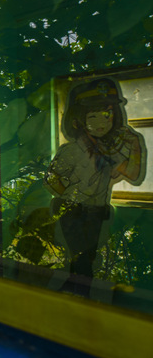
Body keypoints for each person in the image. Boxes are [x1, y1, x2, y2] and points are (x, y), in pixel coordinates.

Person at [45, 77, 146, 277]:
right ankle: (78, 292)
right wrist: (73, 192)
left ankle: (78, 289)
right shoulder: (72, 151)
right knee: (79, 259)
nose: (102, 123)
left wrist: (135, 146)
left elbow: (133, 174)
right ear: (78, 121)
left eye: (106, 115)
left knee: (88, 259)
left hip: (97, 212)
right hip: (73, 211)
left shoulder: (110, 152)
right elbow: (51, 180)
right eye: (93, 117)